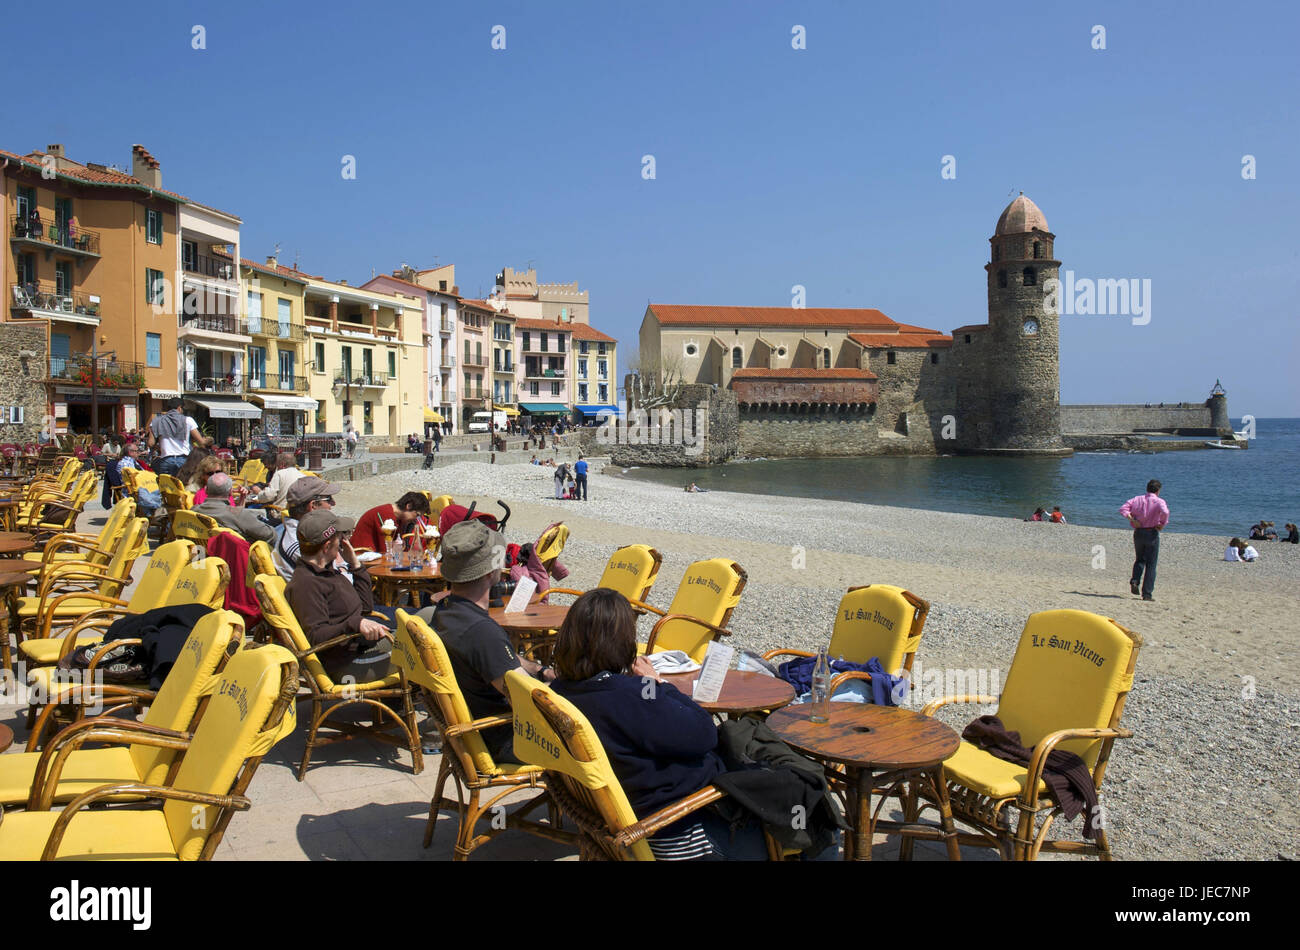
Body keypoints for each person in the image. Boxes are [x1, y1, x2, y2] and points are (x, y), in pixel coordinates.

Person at [550, 589, 769, 860]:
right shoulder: (629, 697)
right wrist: (657, 683)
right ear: (621, 643)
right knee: (810, 819)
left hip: (619, 818)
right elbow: (704, 733)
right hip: (675, 831)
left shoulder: (559, 692)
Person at [421, 520, 553, 763]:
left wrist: (538, 669)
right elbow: (534, 704)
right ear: (492, 572)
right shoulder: (482, 632)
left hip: (473, 731)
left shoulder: (446, 611)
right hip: (505, 739)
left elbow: (497, 661)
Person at [286, 510, 393, 681]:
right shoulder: (307, 584)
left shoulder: (326, 571)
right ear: (327, 546)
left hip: (359, 647)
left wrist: (355, 564)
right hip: (348, 665)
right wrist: (354, 623)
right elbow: (316, 636)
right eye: (340, 538)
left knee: (428, 621)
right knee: (426, 644)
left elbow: (365, 607)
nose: (344, 542)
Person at [275, 476, 339, 580]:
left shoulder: (290, 532)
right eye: (329, 499)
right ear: (313, 505)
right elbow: (332, 581)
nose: (333, 503)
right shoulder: (303, 545)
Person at [1120, 479, 1169, 601]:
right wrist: (1162, 523)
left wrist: (1132, 519)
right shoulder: (1159, 501)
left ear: (1147, 488)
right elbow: (1165, 512)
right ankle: (1147, 594)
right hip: (1151, 532)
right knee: (1151, 564)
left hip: (1139, 531)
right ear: (1158, 490)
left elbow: (1123, 509)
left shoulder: (1137, 499)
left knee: (1140, 559)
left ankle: (1135, 580)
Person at [192, 472, 275, 544]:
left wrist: (242, 498)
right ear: (230, 491)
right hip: (238, 558)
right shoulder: (239, 514)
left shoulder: (193, 511)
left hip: (206, 553)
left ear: (206, 490)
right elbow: (270, 535)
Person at [350, 491, 431, 552]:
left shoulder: (399, 518)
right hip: (363, 555)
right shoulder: (385, 515)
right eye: (416, 515)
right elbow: (385, 548)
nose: (415, 520)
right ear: (408, 506)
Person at [148, 398, 207, 476]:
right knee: (183, 486)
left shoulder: (156, 421)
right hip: (183, 459)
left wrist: (160, 447)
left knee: (166, 486)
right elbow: (201, 442)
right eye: (182, 409)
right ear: (179, 408)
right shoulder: (187, 420)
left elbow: (150, 443)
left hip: (166, 460)